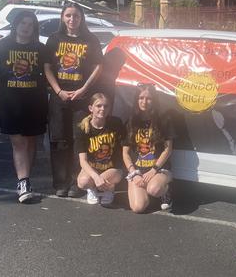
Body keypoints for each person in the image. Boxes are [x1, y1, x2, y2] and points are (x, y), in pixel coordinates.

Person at [0, 11, 48, 203]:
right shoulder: (3, 46)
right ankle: (24, 182)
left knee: (30, 142)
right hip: (10, 103)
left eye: (30, 24)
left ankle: (26, 175)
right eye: (23, 23)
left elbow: (49, 74)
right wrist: (8, 84)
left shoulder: (41, 49)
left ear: (34, 28)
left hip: (35, 102)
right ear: (16, 25)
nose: (26, 27)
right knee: (18, 142)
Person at [44, 2, 103, 197]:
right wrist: (58, 90)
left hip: (81, 97)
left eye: (76, 16)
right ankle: (61, 183)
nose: (72, 19)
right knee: (60, 140)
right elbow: (47, 68)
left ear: (81, 18)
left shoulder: (90, 40)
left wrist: (84, 89)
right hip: (59, 98)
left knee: (79, 139)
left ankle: (78, 183)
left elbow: (98, 66)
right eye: (68, 15)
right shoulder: (54, 39)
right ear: (63, 17)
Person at [122, 84, 175, 213]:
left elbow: (168, 149)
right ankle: (145, 188)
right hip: (138, 171)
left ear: (154, 100)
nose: (144, 102)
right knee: (138, 208)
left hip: (158, 169)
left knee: (154, 189)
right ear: (136, 99)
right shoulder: (131, 121)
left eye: (148, 98)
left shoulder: (163, 120)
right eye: (141, 98)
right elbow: (125, 153)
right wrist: (134, 173)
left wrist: (153, 170)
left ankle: (165, 192)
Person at [74, 93, 125, 205]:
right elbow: (83, 160)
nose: (102, 109)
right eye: (98, 106)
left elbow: (125, 148)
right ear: (90, 108)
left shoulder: (116, 123)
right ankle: (92, 189)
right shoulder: (83, 128)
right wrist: (96, 177)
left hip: (112, 168)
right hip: (93, 167)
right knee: (82, 182)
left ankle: (109, 188)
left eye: (106, 106)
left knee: (108, 177)